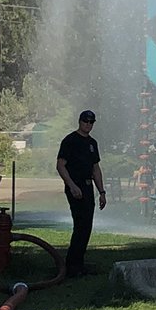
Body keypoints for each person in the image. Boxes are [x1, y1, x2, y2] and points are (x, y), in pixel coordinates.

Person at [56, 109, 106, 278]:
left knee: (86, 226)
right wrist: (71, 185)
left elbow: (95, 168)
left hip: (88, 186)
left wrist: (102, 191)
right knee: (80, 224)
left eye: (91, 122)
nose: (88, 124)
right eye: (85, 121)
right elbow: (60, 165)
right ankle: (72, 265)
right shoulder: (70, 141)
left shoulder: (92, 143)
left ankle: (78, 263)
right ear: (80, 121)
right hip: (75, 187)